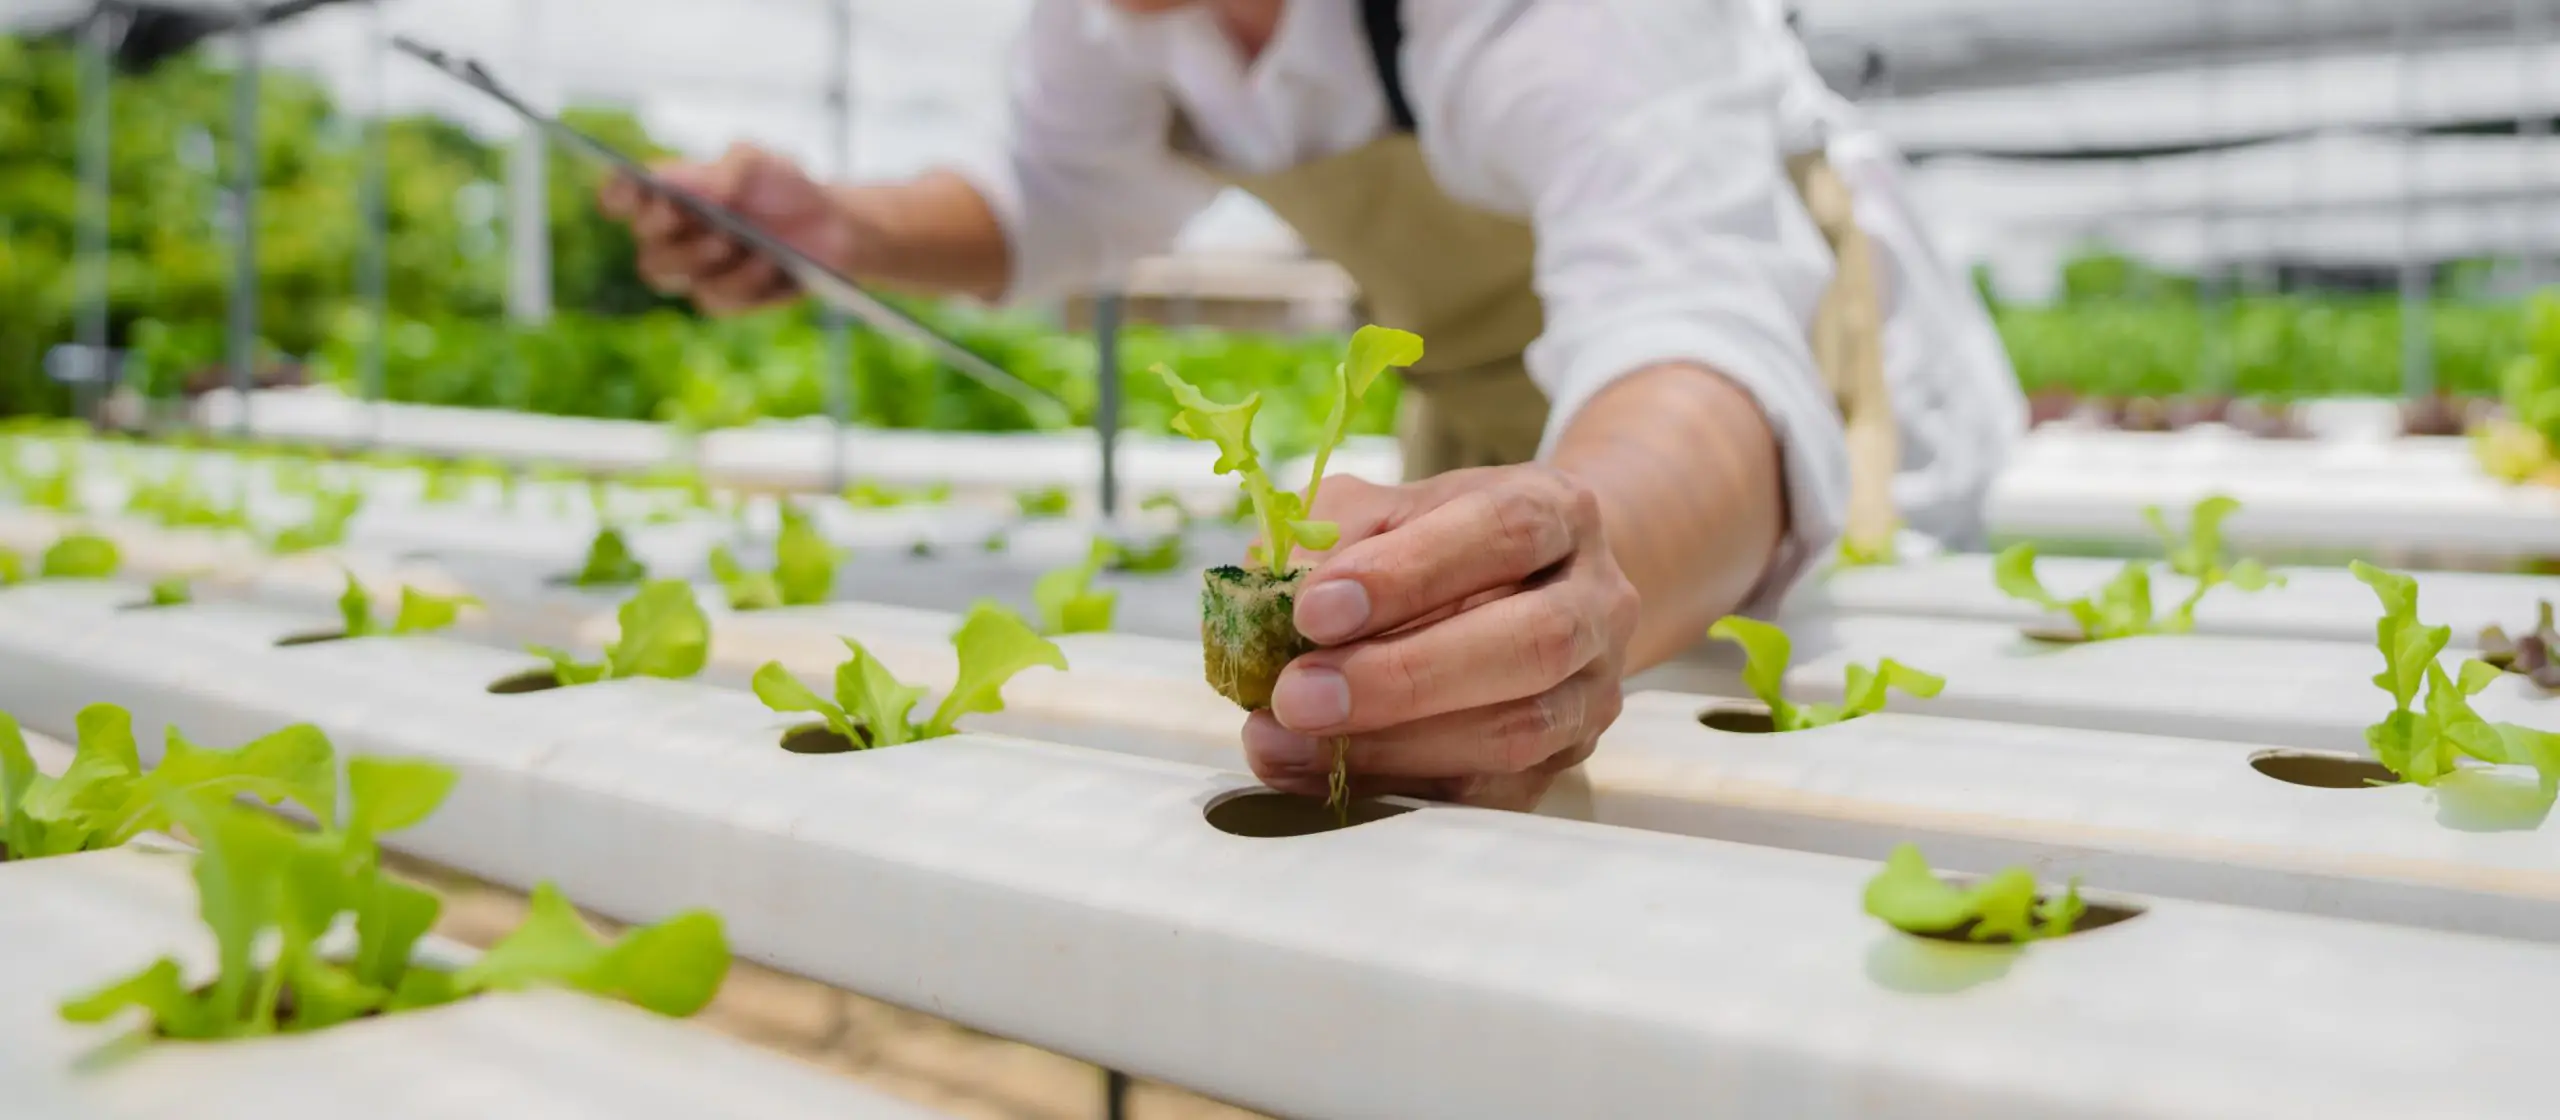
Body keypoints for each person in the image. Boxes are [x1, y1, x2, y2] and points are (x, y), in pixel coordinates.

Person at [601, 0, 2026, 812]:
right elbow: (1060, 193)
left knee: (1790, 792)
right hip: (1498, 426)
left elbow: (1695, 334)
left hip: (1773, 440)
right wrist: (841, 228)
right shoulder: (1118, 18)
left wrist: (1578, 570)